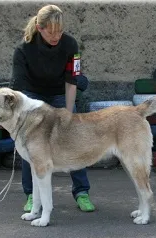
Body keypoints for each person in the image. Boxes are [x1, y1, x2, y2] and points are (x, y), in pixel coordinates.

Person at [9, 4, 95, 213]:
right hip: (32, 95)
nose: (56, 36)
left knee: (74, 138)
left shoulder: (70, 45)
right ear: (40, 28)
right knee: (32, 146)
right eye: (51, 31)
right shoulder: (23, 50)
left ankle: (82, 192)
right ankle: (31, 195)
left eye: (60, 31)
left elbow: (72, 79)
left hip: (59, 92)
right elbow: (20, 90)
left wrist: (68, 112)